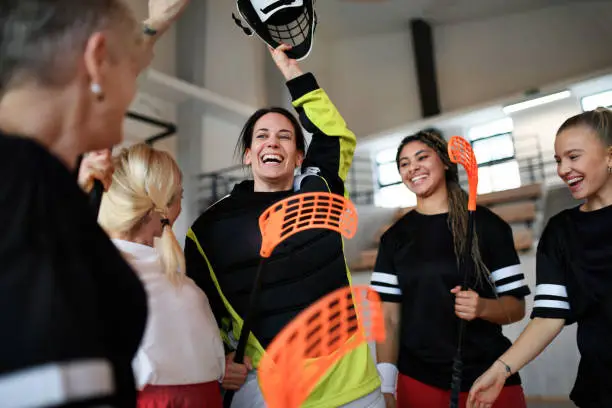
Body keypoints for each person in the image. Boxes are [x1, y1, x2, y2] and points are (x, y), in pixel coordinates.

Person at [0, 0, 188, 406]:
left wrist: (156, 24)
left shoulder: (40, 183)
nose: (135, 90)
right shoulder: (23, 195)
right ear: (98, 60)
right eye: (131, 70)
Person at [185, 44, 383, 408]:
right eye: (261, 136)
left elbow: (335, 135)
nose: (272, 142)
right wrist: (218, 358)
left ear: (298, 156)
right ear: (248, 154)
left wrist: (293, 73)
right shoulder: (209, 228)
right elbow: (201, 308)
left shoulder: (320, 187)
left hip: (354, 390)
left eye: (284, 136)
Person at [370, 130, 530, 408]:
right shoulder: (393, 239)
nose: (413, 168)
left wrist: (482, 308)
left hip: (488, 377)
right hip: (418, 381)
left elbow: (516, 308)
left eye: (422, 157)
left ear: (445, 162)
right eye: (404, 164)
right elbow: (388, 319)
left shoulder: (488, 226)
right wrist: (386, 386)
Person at [468, 108, 612, 408]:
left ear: (610, 156)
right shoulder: (560, 231)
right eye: (558, 160)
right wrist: (500, 370)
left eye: (574, 157)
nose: (563, 169)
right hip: (601, 389)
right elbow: (549, 315)